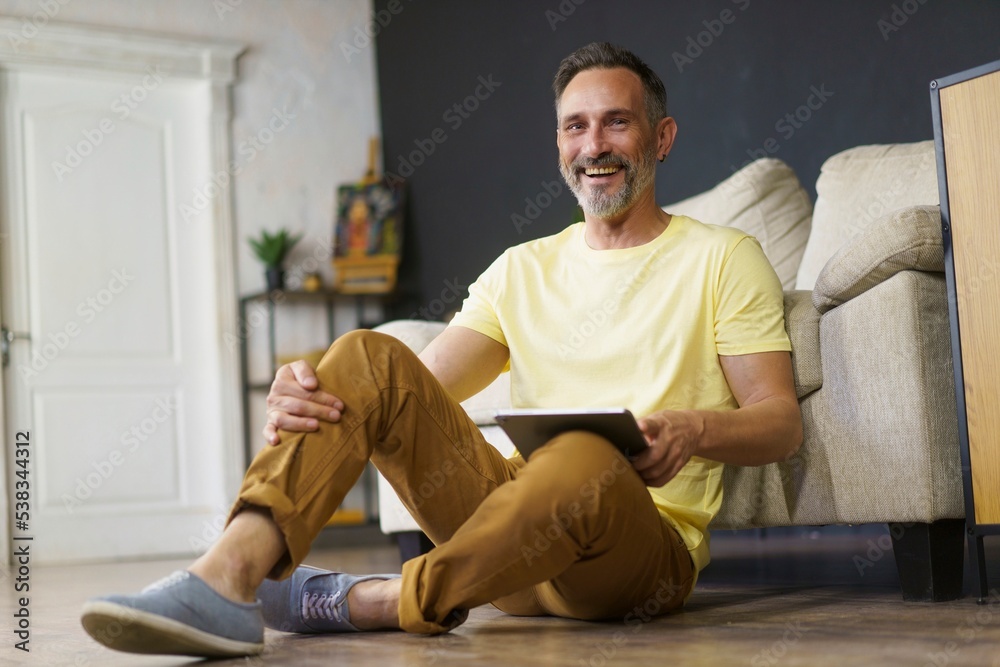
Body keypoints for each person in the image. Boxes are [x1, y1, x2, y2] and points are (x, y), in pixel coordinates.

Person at [81, 42, 801, 658]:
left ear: (662, 137)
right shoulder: (523, 267)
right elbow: (405, 389)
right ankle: (227, 576)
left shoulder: (722, 257)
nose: (594, 145)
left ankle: (366, 600)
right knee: (366, 354)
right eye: (575, 126)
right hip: (510, 544)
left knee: (586, 457)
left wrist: (692, 427)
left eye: (617, 121)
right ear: (558, 145)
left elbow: (779, 422)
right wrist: (323, 395)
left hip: (637, 563)